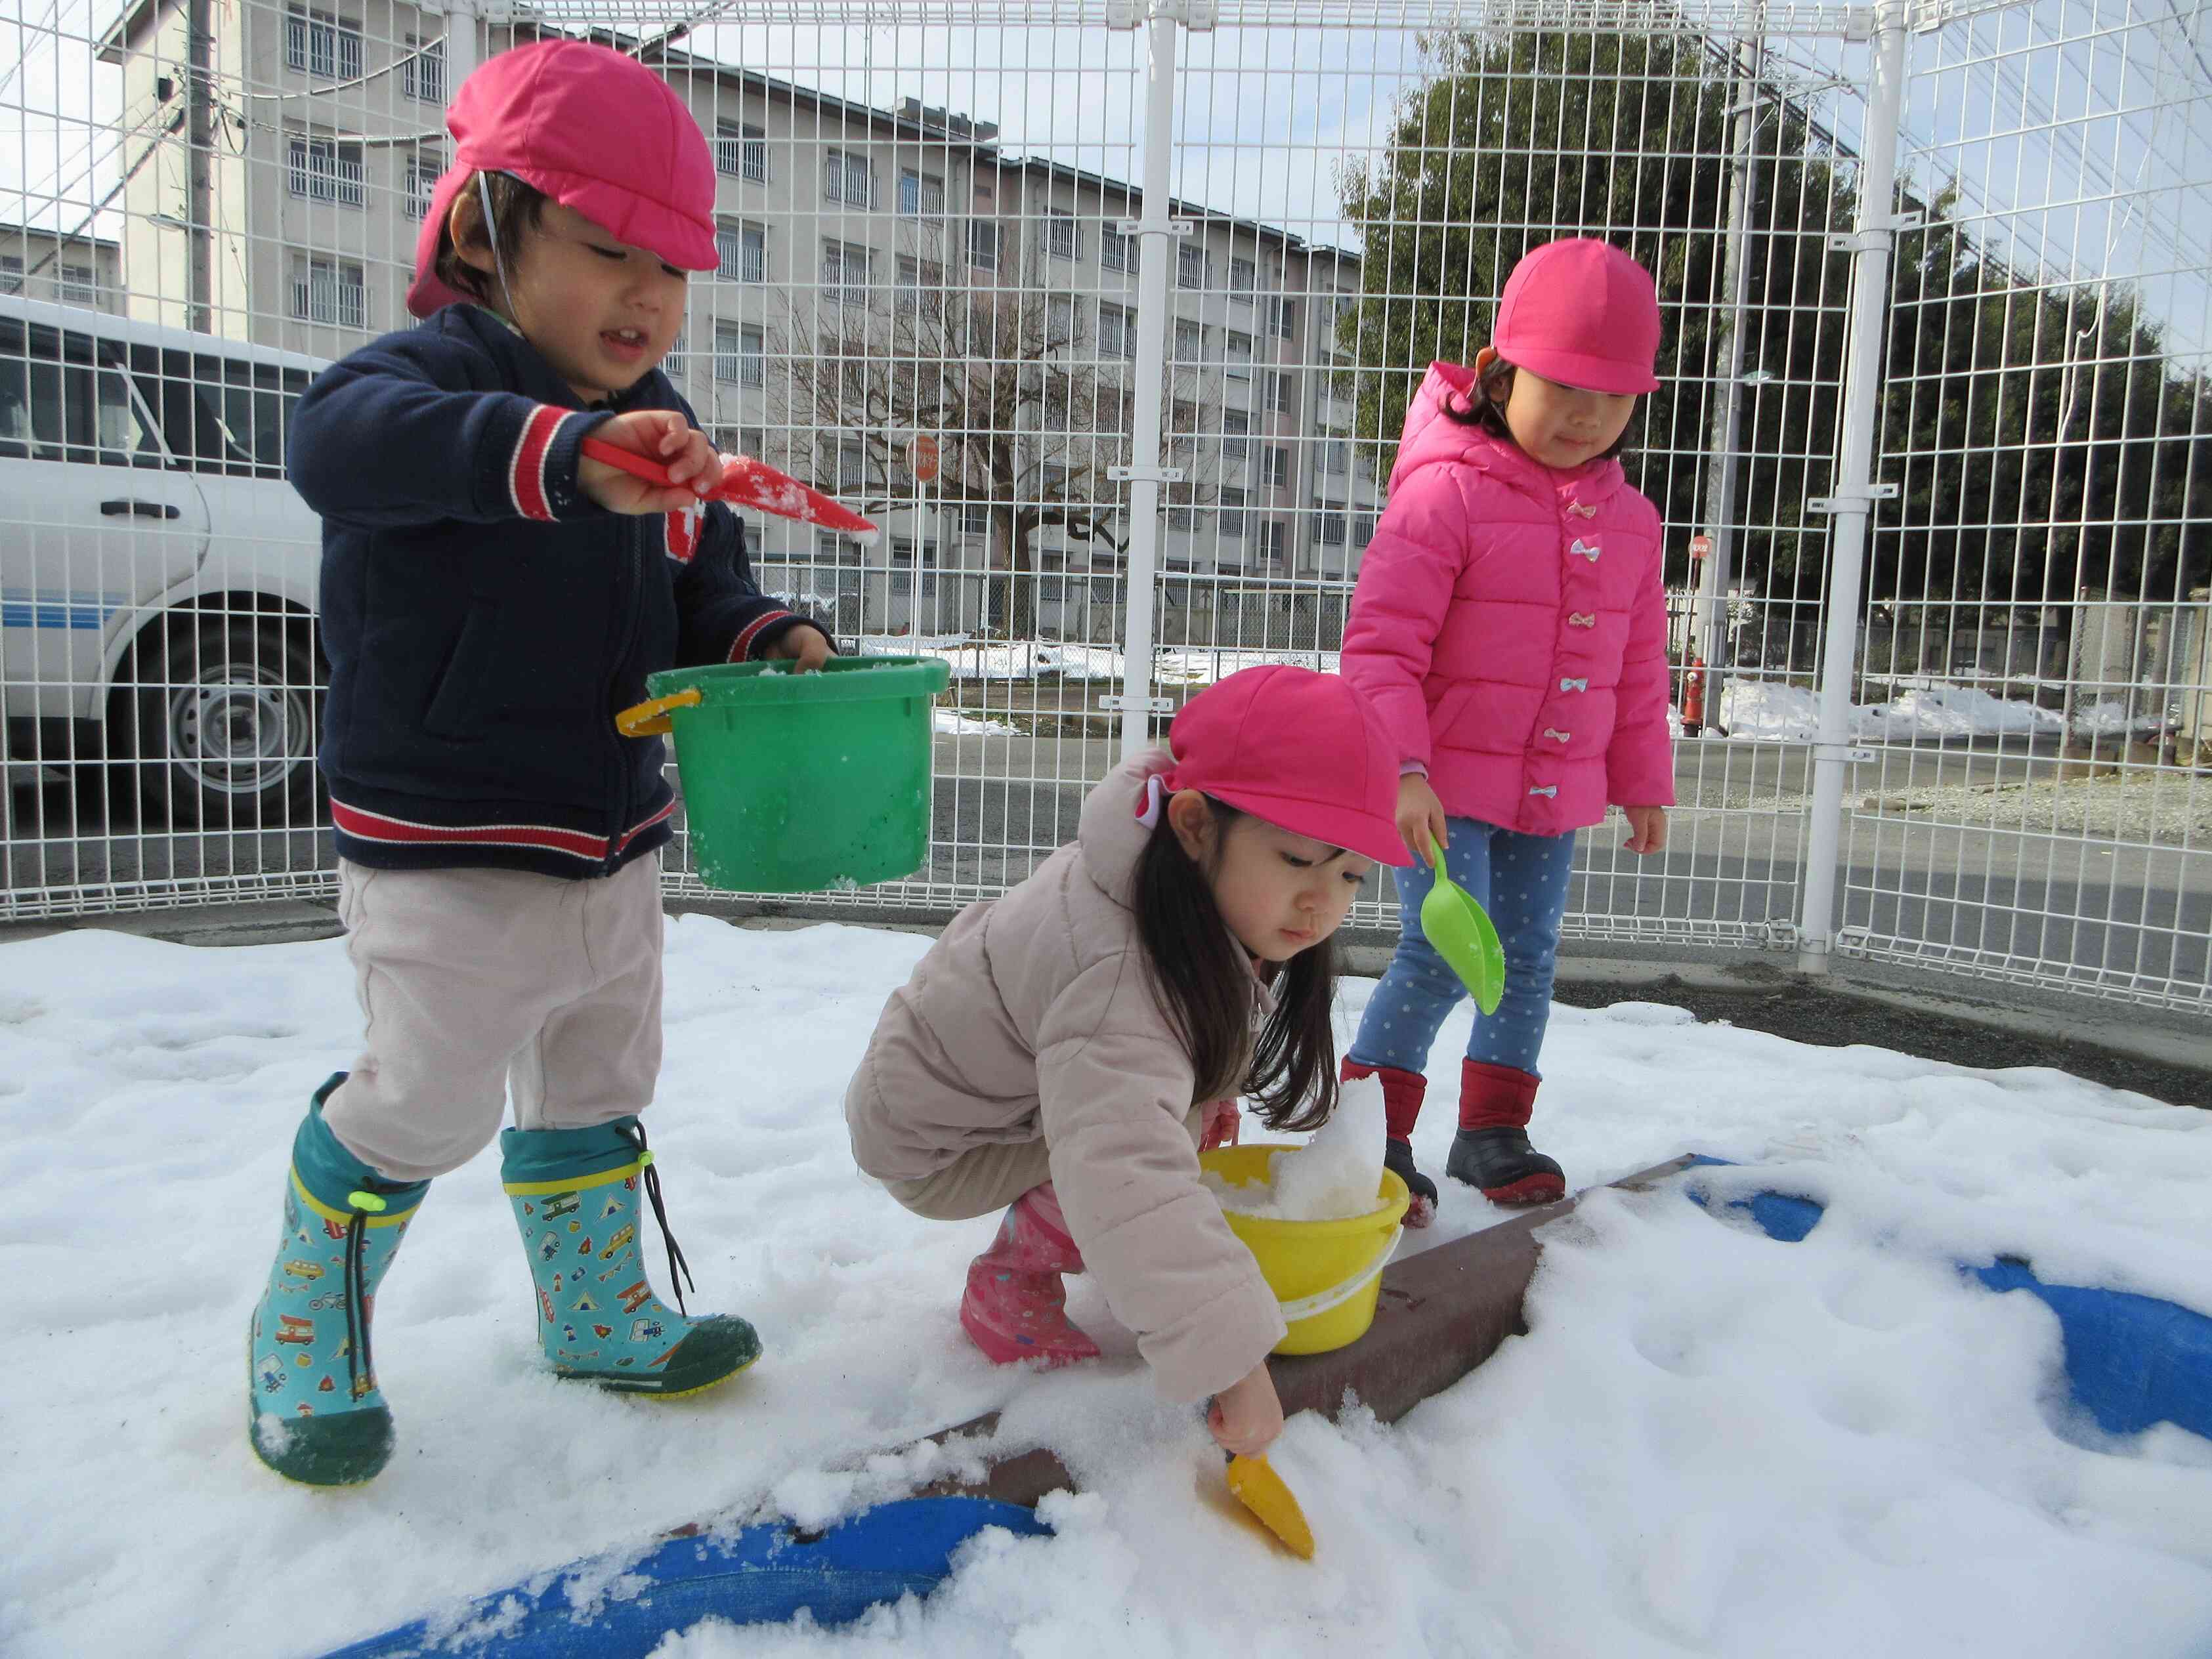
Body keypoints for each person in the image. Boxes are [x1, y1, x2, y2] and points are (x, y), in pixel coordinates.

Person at [245, 39, 834, 1487]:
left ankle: (596, 1308)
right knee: (427, 1099)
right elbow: (339, 446)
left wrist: (763, 635)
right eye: (606, 249)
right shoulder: (419, 381)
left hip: (611, 832)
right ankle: (299, 1328)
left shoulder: (669, 426)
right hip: (444, 839)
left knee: (596, 1078)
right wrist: (566, 456)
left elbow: (704, 576)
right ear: (480, 229)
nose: (647, 295)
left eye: (674, 267)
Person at [844, 666, 1407, 1457]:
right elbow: (1121, 1164)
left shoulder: (1159, 874)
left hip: (982, 1097)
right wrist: (1232, 1359)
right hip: (935, 1142)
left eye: (1349, 873)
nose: (1323, 902)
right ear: (1193, 824)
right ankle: (1008, 1287)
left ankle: (1088, 1247)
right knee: (1145, 1141)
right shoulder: (1121, 972)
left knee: (1172, 1115)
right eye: (1294, 860)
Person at [1340, 237, 1675, 1226]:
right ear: (1496, 374)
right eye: (1563, 387)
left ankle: (1492, 1130)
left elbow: (1637, 664)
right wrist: (1399, 768)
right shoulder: (1444, 493)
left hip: (1552, 791)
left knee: (1525, 957)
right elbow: (1382, 647)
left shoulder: (1632, 522)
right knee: (1444, 952)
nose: (1585, 416)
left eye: (1611, 398)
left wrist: (1640, 778)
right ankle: (1373, 1136)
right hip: (1439, 793)